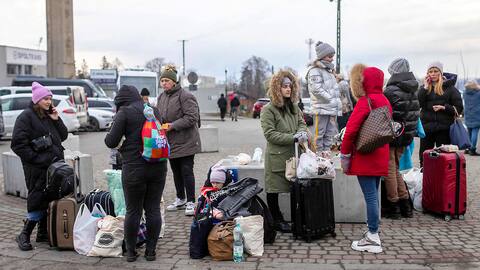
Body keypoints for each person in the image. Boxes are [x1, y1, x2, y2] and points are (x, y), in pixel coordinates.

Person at [105, 85, 167, 262]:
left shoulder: (124, 113)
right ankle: (151, 251)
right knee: (153, 209)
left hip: (134, 168)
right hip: (158, 166)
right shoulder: (153, 110)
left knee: (133, 211)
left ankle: (131, 252)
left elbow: (111, 141)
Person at [11, 82, 68, 251]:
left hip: (54, 167)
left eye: (50, 98)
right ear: (37, 100)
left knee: (50, 197)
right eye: (45, 98)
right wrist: (38, 159)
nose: (49, 102)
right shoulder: (25, 117)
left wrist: (57, 120)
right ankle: (24, 234)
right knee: (37, 199)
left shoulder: (48, 115)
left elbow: (63, 136)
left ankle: (42, 233)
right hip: (36, 168)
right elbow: (18, 145)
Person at [340, 64, 391, 254]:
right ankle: (373, 231)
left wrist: (345, 155)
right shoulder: (385, 100)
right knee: (374, 195)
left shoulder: (365, 101)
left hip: (366, 156)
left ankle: (373, 236)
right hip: (380, 155)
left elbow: (351, 130)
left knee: (370, 196)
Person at [260, 70, 307, 232]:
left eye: (290, 86)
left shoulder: (294, 107)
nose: (288, 89)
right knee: (274, 190)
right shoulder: (268, 109)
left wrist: (301, 132)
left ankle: (297, 217)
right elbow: (270, 134)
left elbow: (302, 122)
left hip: (294, 154)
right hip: (277, 157)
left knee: (295, 187)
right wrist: (294, 137)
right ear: (277, 88)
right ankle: (276, 219)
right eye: (284, 86)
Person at [156, 65, 201, 216]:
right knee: (176, 171)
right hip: (170, 142)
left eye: (166, 80)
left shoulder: (185, 96)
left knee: (186, 170)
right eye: (162, 80)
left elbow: (192, 117)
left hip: (187, 140)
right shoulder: (161, 97)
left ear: (174, 82)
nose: (164, 83)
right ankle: (180, 198)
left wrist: (173, 126)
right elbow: (159, 116)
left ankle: (191, 202)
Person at [383, 58, 420, 219]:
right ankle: (405, 205)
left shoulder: (391, 90)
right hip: (406, 135)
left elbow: (385, 113)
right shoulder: (413, 88)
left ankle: (394, 206)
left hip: (393, 135)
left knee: (389, 170)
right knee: (396, 168)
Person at [418, 62, 463, 166]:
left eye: (435, 71)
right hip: (427, 128)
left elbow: (459, 109)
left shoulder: (450, 88)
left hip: (444, 129)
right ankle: (424, 178)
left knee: (444, 158)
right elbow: (419, 104)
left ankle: (442, 180)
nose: (433, 74)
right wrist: (424, 88)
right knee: (424, 158)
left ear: (441, 73)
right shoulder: (424, 88)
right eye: (430, 71)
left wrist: (444, 107)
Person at [306, 41, 342, 154]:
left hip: (330, 108)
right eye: (329, 56)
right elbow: (316, 89)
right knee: (319, 134)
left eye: (332, 56)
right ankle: (317, 157)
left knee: (329, 134)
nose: (332, 59)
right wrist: (331, 99)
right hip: (321, 109)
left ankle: (326, 156)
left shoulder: (329, 71)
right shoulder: (314, 71)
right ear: (322, 56)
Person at [463, 80, 480, 156]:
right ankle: (472, 149)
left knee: (469, 131)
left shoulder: (464, 93)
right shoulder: (478, 93)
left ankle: (469, 147)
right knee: (475, 132)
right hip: (477, 114)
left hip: (468, 114)